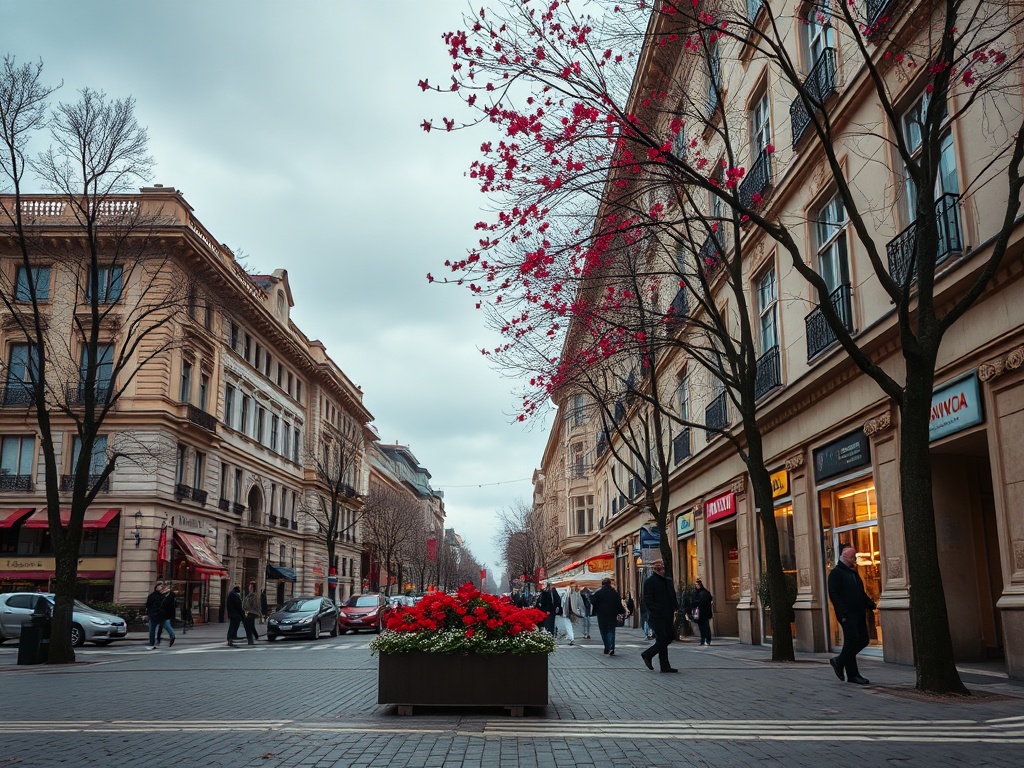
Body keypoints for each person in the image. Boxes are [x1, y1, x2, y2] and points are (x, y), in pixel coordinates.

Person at [827, 545, 876, 685]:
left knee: (863, 640)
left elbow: (859, 593)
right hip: (847, 614)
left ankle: (840, 661)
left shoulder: (853, 572)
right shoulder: (836, 573)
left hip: (858, 612)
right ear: (846, 557)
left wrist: (869, 603)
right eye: (853, 557)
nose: (855, 560)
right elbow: (834, 595)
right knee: (852, 640)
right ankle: (852, 673)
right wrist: (841, 613)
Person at [640, 559, 679, 673]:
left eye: (663, 569)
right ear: (656, 570)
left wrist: (675, 608)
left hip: (668, 614)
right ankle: (663, 664)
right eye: (661, 569)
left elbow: (672, 596)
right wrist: (654, 611)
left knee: (670, 636)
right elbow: (648, 599)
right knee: (662, 639)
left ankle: (649, 655)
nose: (663, 571)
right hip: (657, 616)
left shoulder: (667, 581)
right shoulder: (650, 582)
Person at [589, 577, 622, 655]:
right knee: (611, 631)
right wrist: (620, 612)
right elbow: (618, 603)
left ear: (602, 584)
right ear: (610, 584)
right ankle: (611, 647)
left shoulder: (599, 593)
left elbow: (592, 600)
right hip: (612, 615)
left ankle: (607, 647)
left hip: (601, 615)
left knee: (604, 632)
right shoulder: (615, 593)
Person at [691, 578, 714, 646]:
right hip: (701, 612)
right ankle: (704, 639)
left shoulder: (704, 593)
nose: (696, 586)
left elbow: (705, 601)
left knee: (705, 627)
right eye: (695, 585)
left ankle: (706, 640)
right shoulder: (700, 593)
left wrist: (695, 603)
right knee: (703, 627)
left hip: (703, 612)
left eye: (697, 585)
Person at [145, 580, 164, 650]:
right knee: (154, 629)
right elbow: (148, 605)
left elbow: (148, 605)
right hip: (155, 614)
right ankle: (154, 642)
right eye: (160, 586)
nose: (161, 587)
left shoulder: (159, 596)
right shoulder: (156, 596)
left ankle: (153, 642)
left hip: (155, 614)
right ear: (156, 587)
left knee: (154, 629)